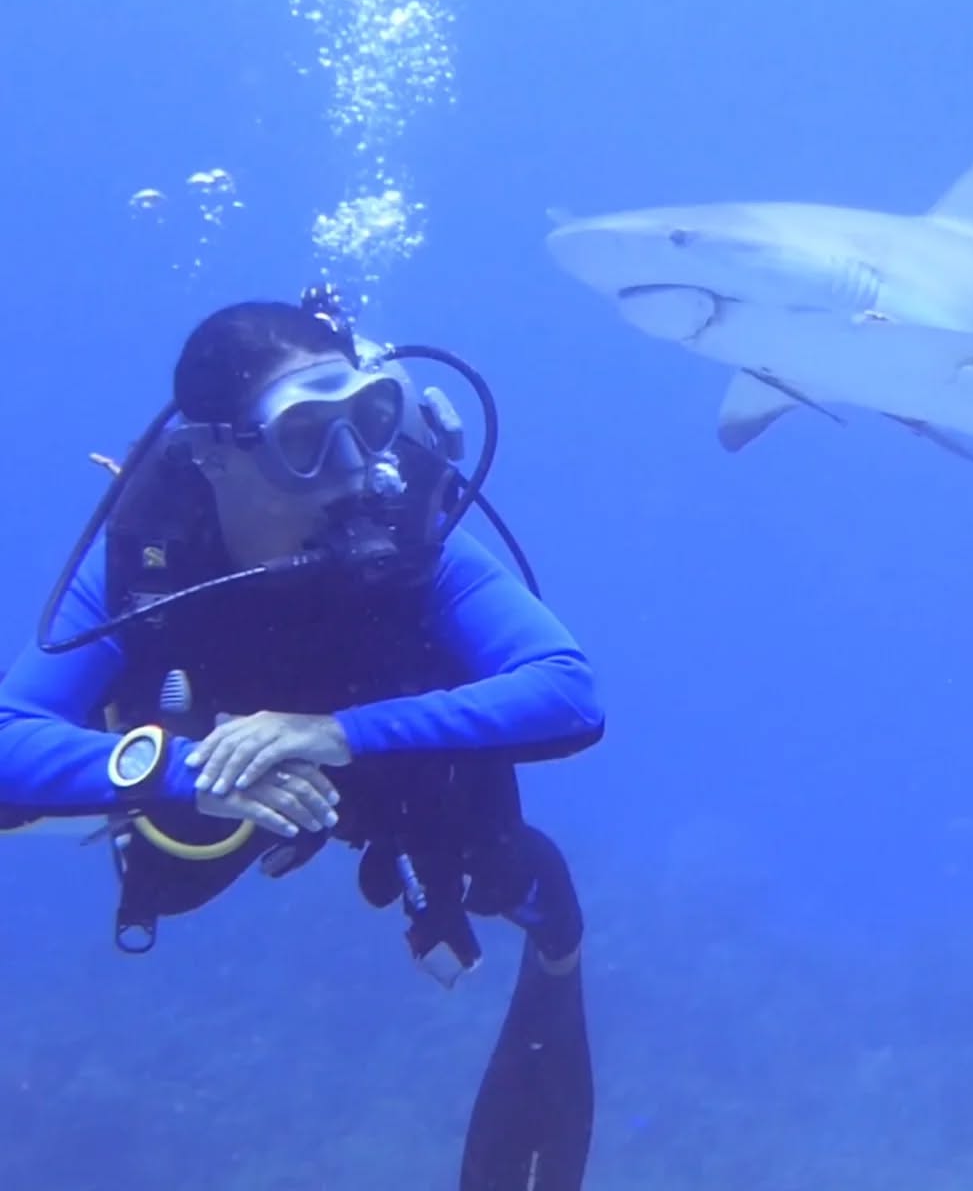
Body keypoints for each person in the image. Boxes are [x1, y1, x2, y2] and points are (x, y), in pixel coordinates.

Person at [0, 287, 605, 1191]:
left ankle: (557, 968)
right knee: (161, 876)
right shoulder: (149, 549)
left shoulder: (408, 528)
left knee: (499, 866)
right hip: (207, 769)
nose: (354, 466)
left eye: (370, 418)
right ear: (212, 454)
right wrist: (183, 769)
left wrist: (334, 733)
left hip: (386, 765)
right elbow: (9, 737)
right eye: (303, 437)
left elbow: (567, 690)